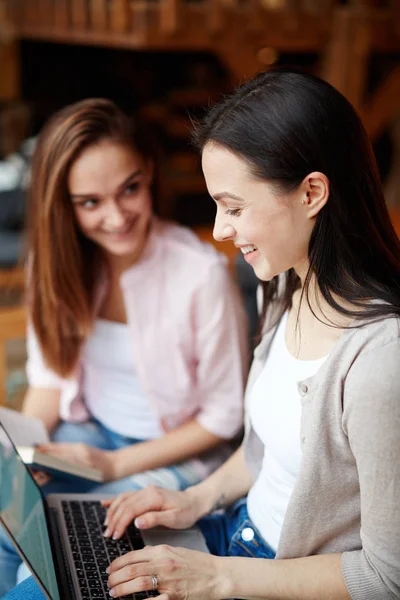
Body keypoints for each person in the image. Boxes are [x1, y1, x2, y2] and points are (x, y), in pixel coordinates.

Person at [6, 67, 400, 600]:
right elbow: (260, 454)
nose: (218, 230)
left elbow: (386, 577)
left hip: (268, 571)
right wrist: (196, 500)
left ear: (311, 193)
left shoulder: (380, 362)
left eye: (233, 207)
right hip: (226, 527)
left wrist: (216, 575)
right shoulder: (284, 288)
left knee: (41, 581)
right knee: (34, 553)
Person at [0, 98, 248, 596]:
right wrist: (22, 457)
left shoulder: (199, 274)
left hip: (173, 456)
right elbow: (48, 385)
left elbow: (224, 417)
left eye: (129, 189)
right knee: (8, 519)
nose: (116, 217)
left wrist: (112, 465)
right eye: (90, 202)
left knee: (50, 556)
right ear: (62, 205)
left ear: (149, 173)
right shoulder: (56, 267)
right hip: (84, 438)